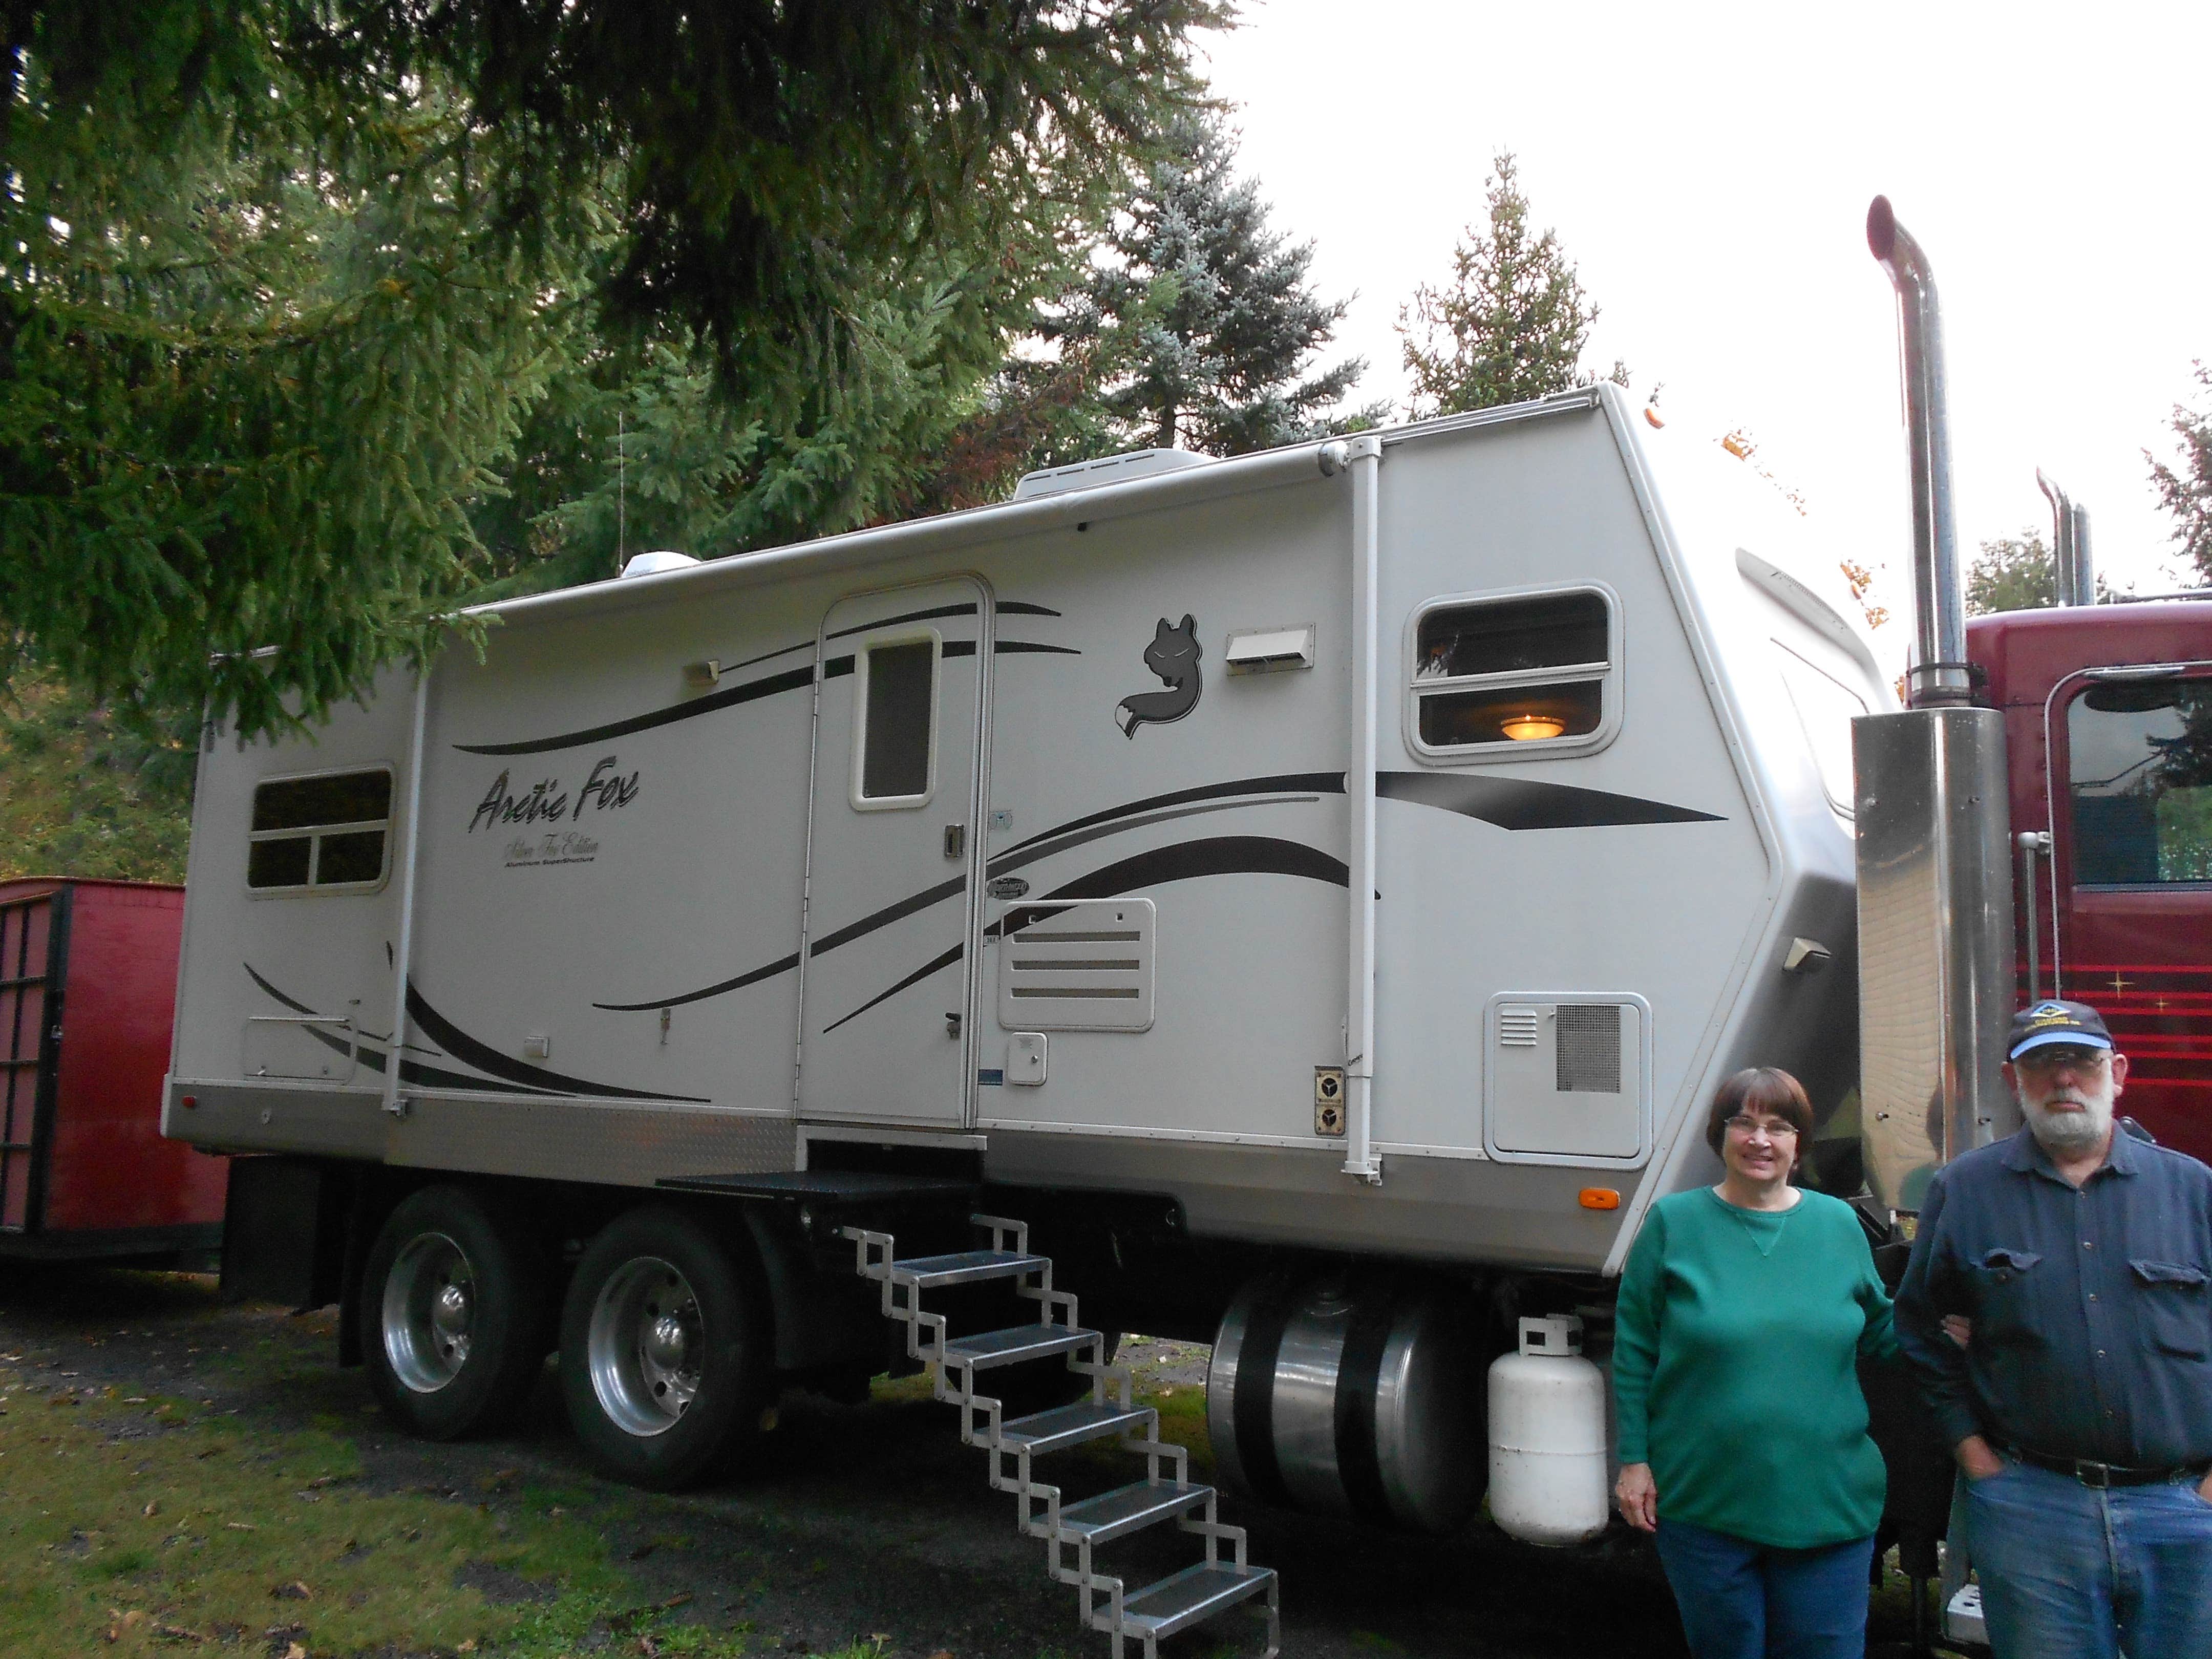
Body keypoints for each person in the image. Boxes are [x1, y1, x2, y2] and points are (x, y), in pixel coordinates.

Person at [1894, 999, 2212, 1657]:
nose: (2064, 1079)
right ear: (2016, 1082)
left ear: (2118, 1072)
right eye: (2041, 1064)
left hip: (2185, 1511)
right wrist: (1975, 1458)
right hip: (2032, 1509)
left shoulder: (2193, 1191)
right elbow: (1920, 1330)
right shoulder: (1966, 1191)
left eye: (2082, 1062)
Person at [1612, 1067, 1898, 1659]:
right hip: (1705, 1502)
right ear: (1719, 1136)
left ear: (1799, 1143)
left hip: (1827, 1501)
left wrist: (1962, 1325)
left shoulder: (1838, 1224)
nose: (1759, 1139)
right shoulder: (1674, 1224)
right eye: (1742, 1123)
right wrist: (1635, 1460)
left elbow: (1883, 1333)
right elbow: (1636, 1348)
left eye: (1778, 1126)